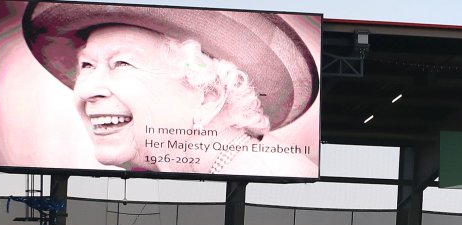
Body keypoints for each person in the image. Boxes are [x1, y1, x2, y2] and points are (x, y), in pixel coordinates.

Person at [20, 2, 320, 176]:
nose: (86, 91)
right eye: (86, 66)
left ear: (208, 96)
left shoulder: (273, 177)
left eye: (122, 63)